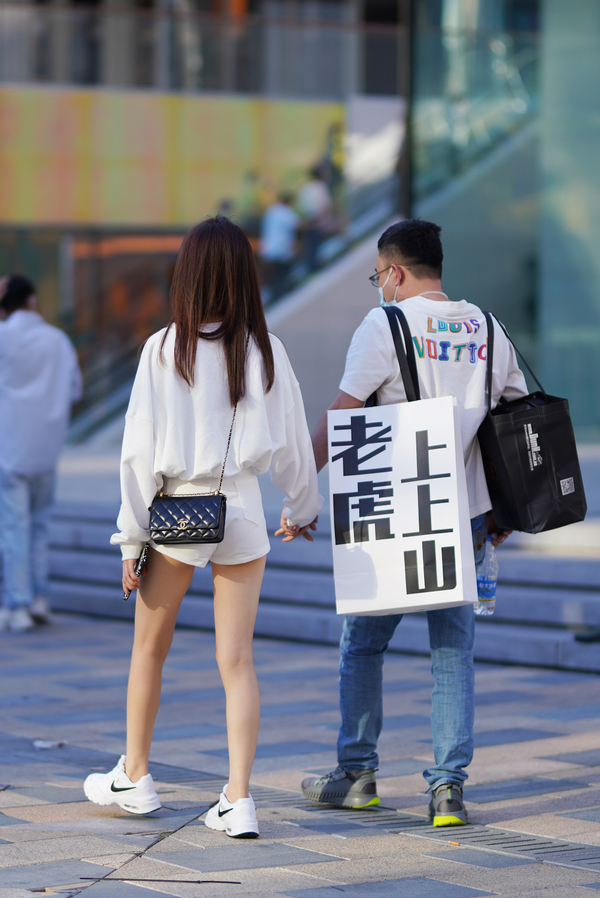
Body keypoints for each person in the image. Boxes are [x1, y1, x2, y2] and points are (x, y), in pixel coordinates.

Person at [83, 217, 321, 839]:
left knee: (149, 649)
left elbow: (137, 456)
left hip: (177, 514)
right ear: (244, 274)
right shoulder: (267, 349)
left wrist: (130, 539)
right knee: (237, 661)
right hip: (241, 509)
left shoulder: (164, 349)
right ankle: (238, 800)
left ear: (186, 275)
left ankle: (136, 775)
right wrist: (301, 507)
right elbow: (293, 443)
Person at [297, 219, 528, 827]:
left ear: (394, 272)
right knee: (453, 653)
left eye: (378, 275)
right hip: (467, 513)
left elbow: (342, 413)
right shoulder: (487, 327)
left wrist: (300, 489)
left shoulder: (384, 324)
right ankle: (448, 790)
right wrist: (504, 508)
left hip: (394, 511)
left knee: (363, 645)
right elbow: (513, 417)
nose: (380, 286)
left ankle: (356, 774)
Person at [0, 275, 82, 633]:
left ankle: (17, 604)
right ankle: (39, 598)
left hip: (9, 449)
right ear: (32, 301)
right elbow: (75, 389)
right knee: (39, 526)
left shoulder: (4, 337)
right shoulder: (57, 340)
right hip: (47, 450)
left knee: (14, 529)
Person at [259, 193, 299, 302]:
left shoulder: (271, 210)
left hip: (268, 249)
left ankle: (274, 293)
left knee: (273, 274)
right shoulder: (286, 212)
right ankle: (280, 292)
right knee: (281, 273)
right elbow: (296, 225)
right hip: (281, 249)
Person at [297, 166, 334, 273]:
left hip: (309, 219)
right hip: (319, 219)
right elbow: (325, 205)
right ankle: (314, 264)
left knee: (312, 243)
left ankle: (312, 263)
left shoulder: (305, 188)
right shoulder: (320, 186)